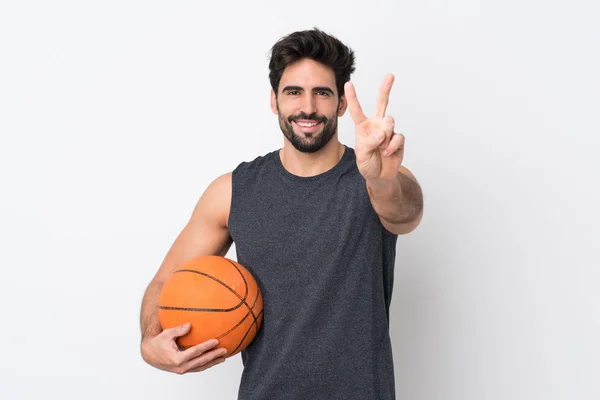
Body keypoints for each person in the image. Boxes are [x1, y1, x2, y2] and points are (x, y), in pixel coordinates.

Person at [140, 28, 424, 399]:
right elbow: (164, 284)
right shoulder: (231, 191)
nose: (308, 107)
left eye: (322, 93)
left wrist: (381, 180)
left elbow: (406, 213)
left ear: (340, 103)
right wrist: (150, 340)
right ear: (274, 100)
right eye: (294, 92)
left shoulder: (376, 179)